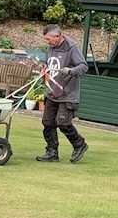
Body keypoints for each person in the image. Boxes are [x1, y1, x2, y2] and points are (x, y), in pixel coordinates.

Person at [36, 24, 89, 163]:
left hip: (68, 94)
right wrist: (44, 69)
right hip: (52, 92)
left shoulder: (72, 48)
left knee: (63, 123)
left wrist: (70, 71)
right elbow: (47, 63)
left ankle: (79, 144)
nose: (47, 42)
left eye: (48, 39)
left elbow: (83, 67)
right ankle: (52, 151)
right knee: (48, 122)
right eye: (46, 39)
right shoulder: (51, 48)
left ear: (58, 36)